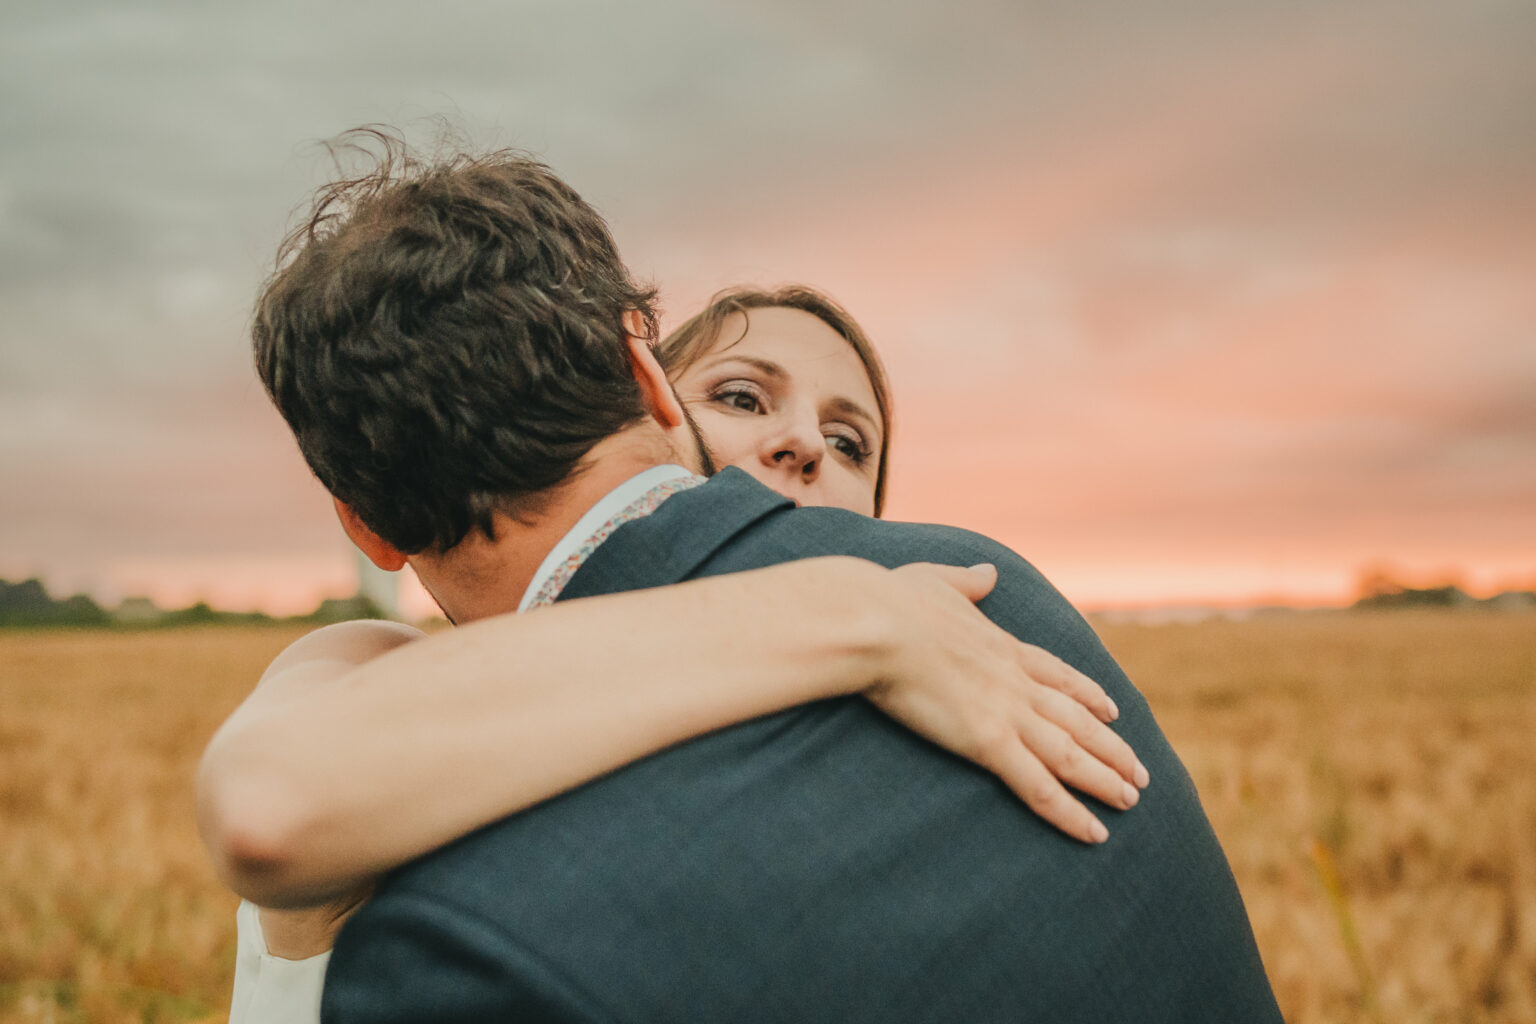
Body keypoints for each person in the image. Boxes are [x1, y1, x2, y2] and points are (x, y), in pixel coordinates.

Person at [234, 129, 1283, 1022]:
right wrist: (852, 610)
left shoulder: (468, 930)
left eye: (850, 438)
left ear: (365, 526)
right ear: (655, 384)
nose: (798, 452)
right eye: (741, 396)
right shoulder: (984, 596)